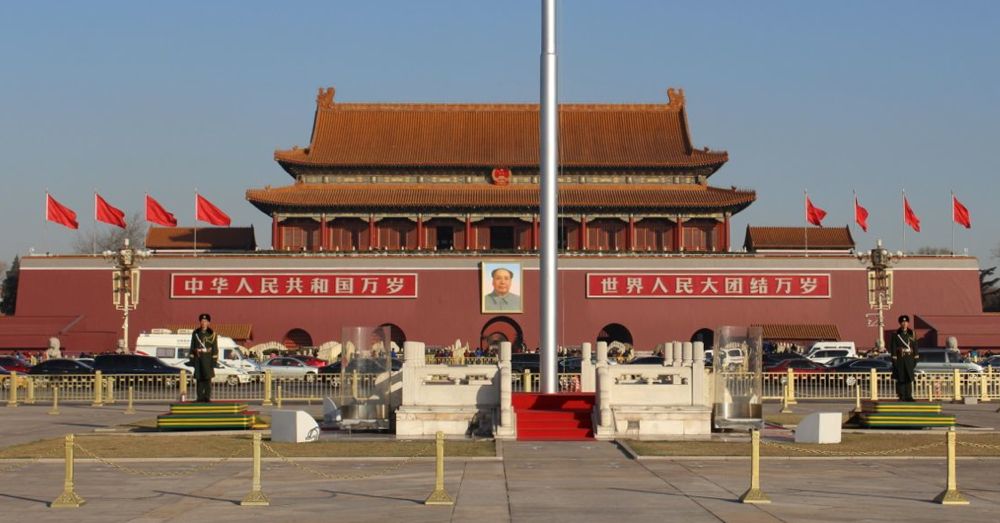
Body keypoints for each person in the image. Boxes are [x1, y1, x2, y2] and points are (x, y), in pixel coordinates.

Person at [189, 313, 218, 402]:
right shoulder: (196, 333)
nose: (203, 323)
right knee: (199, 379)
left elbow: (214, 348)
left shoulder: (212, 333)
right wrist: (192, 359)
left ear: (208, 323)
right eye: (202, 321)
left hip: (208, 360)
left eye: (205, 321)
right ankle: (199, 397)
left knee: (207, 379)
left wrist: (214, 361)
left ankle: (207, 397)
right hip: (198, 359)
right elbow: (192, 346)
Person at [889, 314, 919, 402]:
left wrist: (916, 357)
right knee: (901, 377)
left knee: (909, 378)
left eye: (906, 322)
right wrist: (894, 359)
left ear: (908, 323)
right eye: (903, 322)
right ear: (900, 323)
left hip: (909, 358)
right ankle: (901, 396)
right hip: (900, 358)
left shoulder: (912, 333)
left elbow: (915, 346)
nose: (904, 324)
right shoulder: (896, 334)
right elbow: (893, 347)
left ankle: (909, 396)